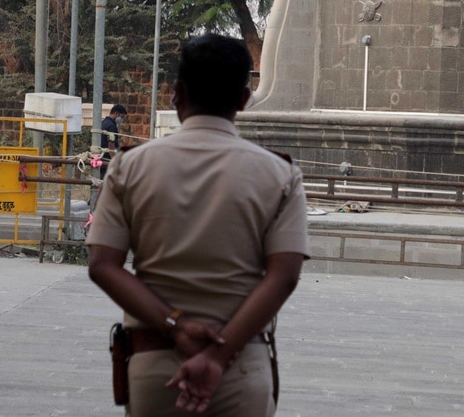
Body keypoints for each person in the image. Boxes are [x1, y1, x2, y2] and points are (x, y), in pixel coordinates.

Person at [88, 34, 310, 416]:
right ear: (243, 100)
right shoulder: (280, 174)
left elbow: (103, 265)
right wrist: (219, 354)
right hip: (240, 366)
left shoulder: (130, 166)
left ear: (177, 94)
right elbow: (284, 276)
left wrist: (175, 325)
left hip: (155, 361)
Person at [98, 104, 128, 178]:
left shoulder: (103, 123)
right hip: (107, 158)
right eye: (121, 117)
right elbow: (111, 145)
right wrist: (115, 161)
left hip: (100, 156)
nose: (122, 120)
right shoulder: (112, 126)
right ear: (116, 113)